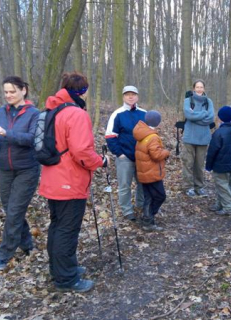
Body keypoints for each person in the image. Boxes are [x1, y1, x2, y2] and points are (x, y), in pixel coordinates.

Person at [39, 72, 108, 292]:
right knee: (67, 230)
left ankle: (59, 269)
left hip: (52, 179)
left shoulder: (52, 110)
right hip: (69, 180)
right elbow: (82, 151)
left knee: (57, 226)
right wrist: (100, 162)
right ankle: (66, 278)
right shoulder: (76, 114)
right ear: (82, 91)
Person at [0, 76, 40, 271]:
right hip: (4, 169)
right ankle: (26, 244)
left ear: (23, 90)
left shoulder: (34, 114)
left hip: (27, 169)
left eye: (12, 91)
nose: (8, 95)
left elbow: (32, 139)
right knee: (11, 211)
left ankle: (4, 253)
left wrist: (7, 133)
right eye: (5, 92)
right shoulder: (1, 112)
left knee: (15, 211)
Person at [105, 85, 145, 221]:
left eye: (133, 94)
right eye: (127, 94)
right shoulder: (117, 114)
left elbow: (151, 135)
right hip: (125, 157)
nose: (130, 96)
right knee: (124, 186)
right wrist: (119, 153)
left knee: (143, 183)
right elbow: (110, 136)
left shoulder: (144, 113)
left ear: (137, 96)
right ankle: (127, 210)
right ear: (123, 97)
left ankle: (141, 206)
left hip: (142, 157)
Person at [133, 111, 170, 231]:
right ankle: (148, 218)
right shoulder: (152, 137)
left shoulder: (142, 133)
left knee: (148, 197)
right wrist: (166, 152)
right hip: (151, 173)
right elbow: (156, 155)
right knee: (160, 196)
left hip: (144, 172)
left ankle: (147, 219)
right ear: (157, 123)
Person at [182, 79, 214, 197]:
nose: (199, 89)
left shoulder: (209, 101)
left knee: (199, 164)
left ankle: (199, 186)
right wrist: (203, 114)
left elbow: (210, 118)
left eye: (201, 87)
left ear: (204, 89)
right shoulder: (187, 101)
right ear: (193, 88)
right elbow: (188, 115)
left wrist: (195, 116)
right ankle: (188, 187)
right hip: (189, 136)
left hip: (203, 137)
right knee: (188, 163)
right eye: (197, 87)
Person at [206, 106, 231, 215]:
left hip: (219, 165)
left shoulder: (218, 133)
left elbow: (212, 151)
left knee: (222, 186)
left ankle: (229, 208)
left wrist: (208, 165)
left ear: (220, 118)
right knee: (224, 185)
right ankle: (219, 204)